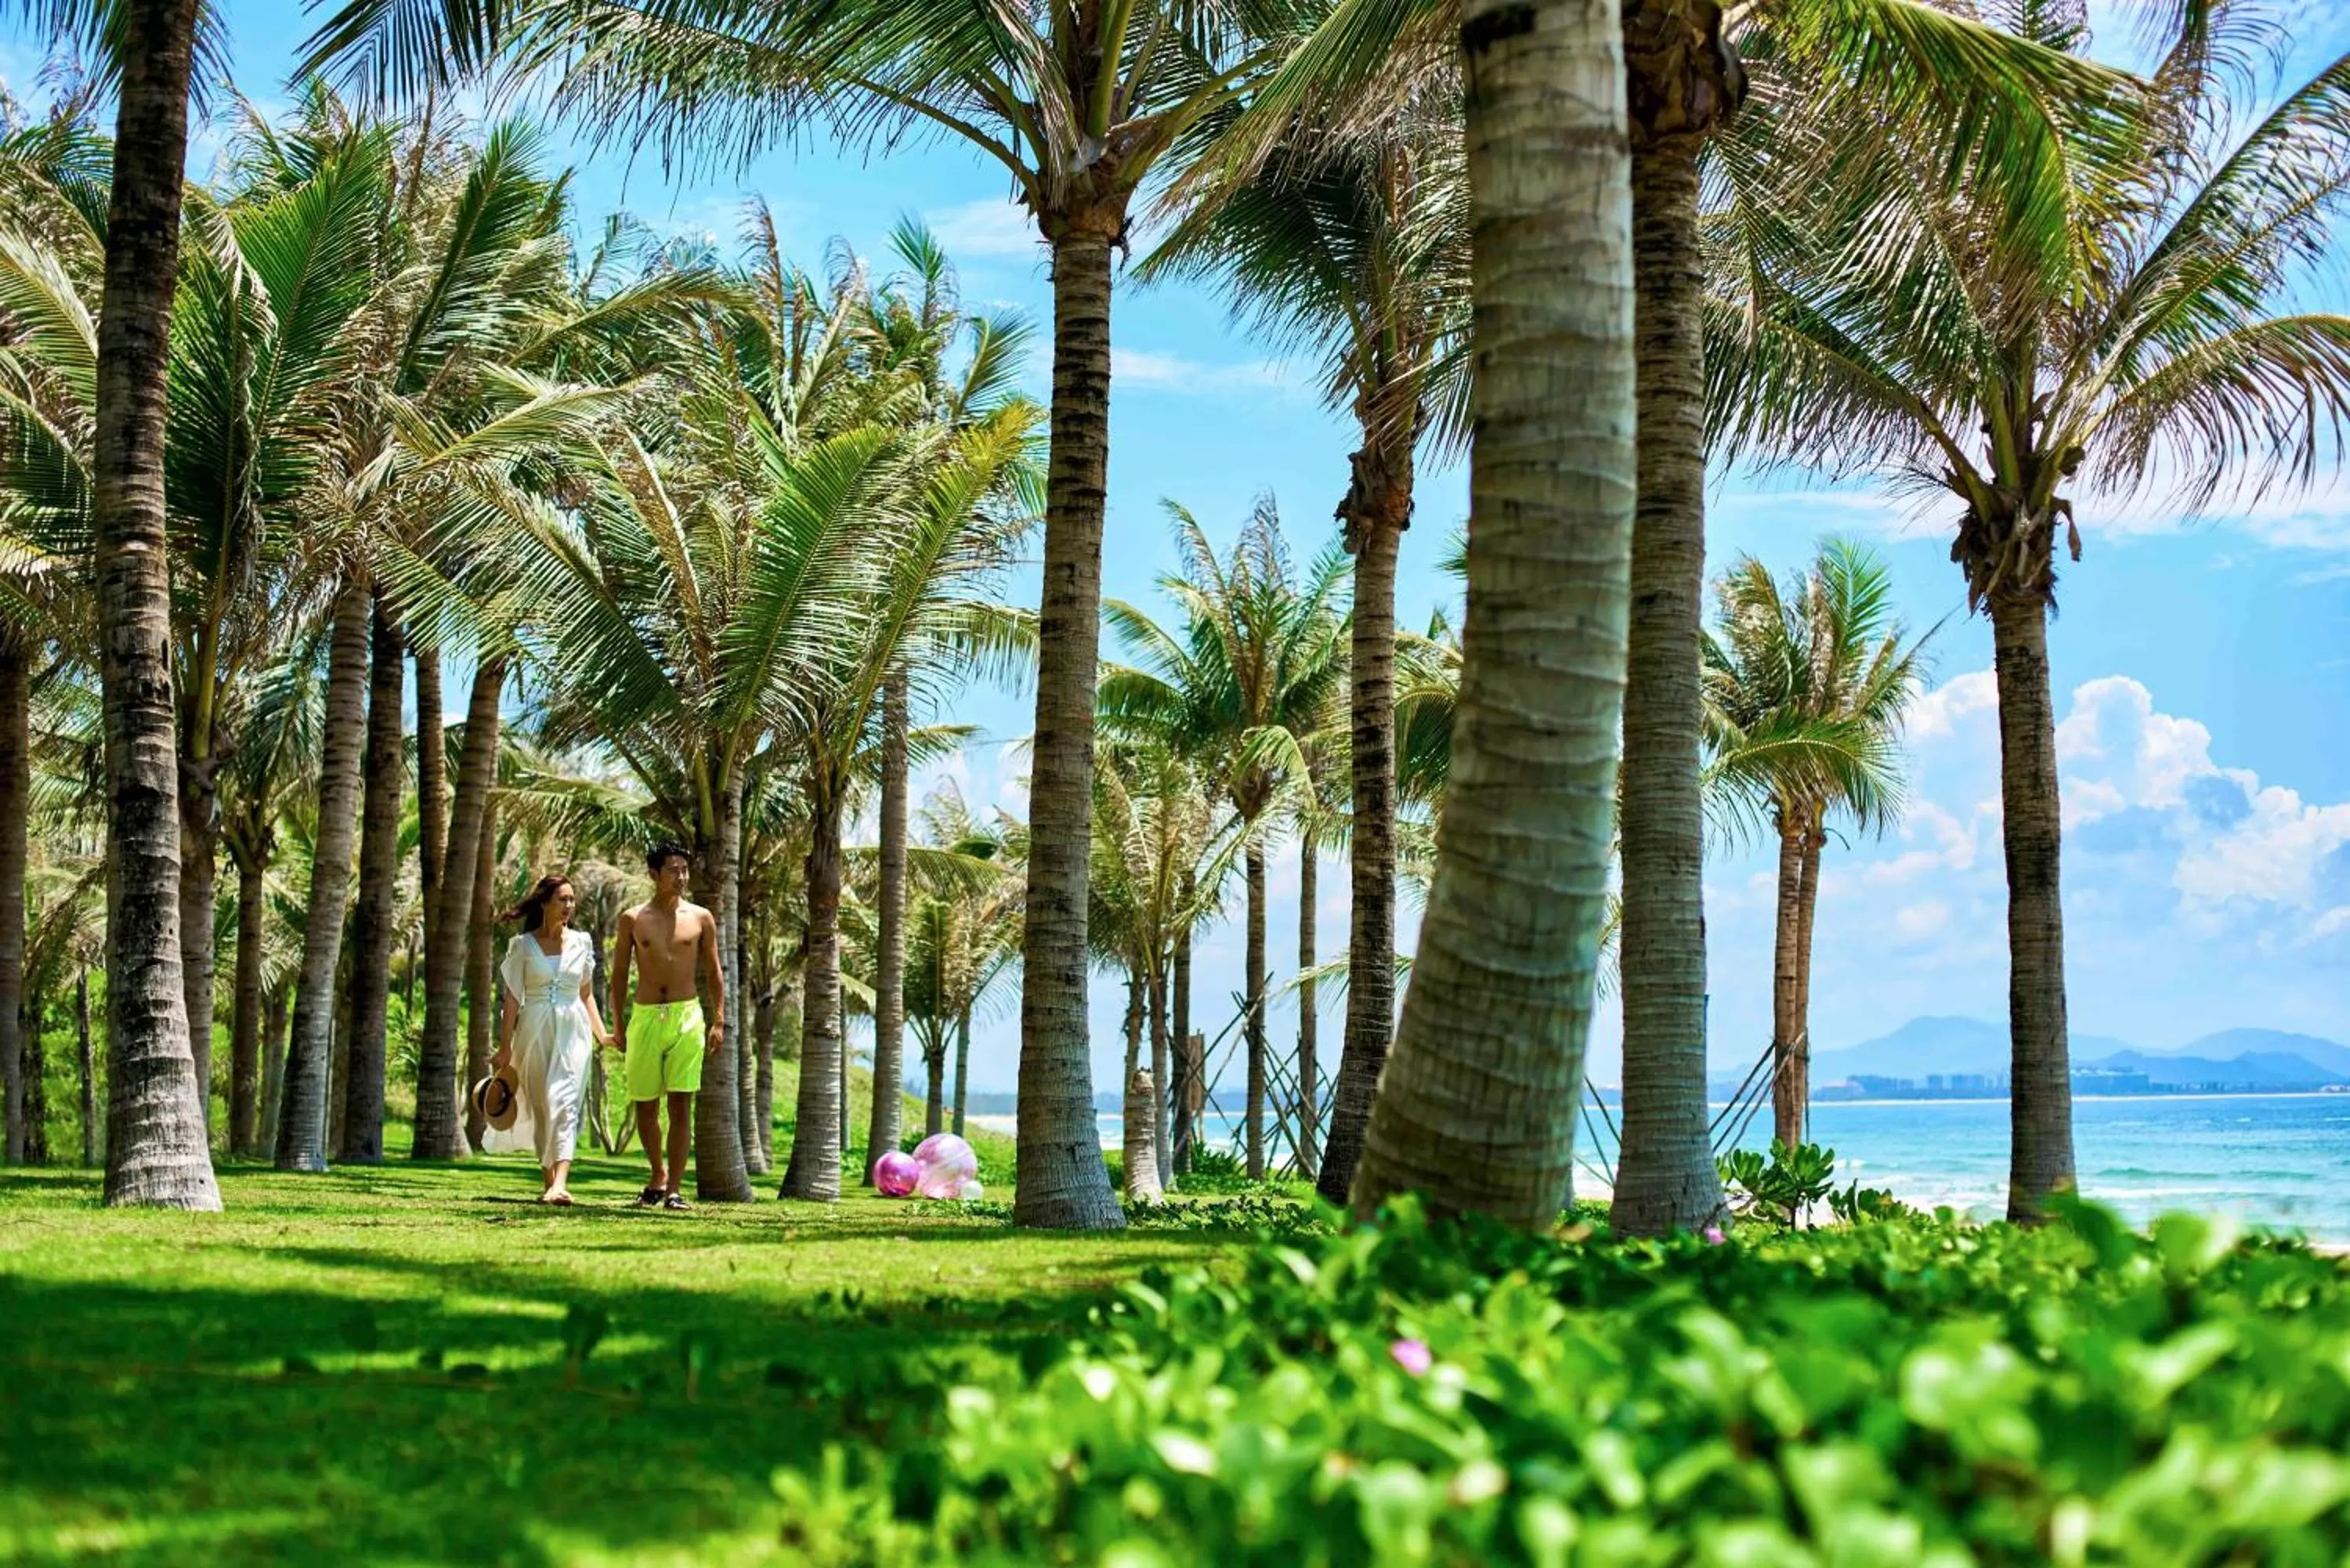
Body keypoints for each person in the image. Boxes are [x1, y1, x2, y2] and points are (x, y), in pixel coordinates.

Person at [487, 875, 613, 1205]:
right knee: (543, 1104)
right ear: (545, 903)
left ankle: (561, 1183)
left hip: (574, 1030)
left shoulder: (583, 942)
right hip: (534, 1029)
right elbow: (512, 1000)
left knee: (565, 1101)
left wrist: (603, 1034)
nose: (569, 906)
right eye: (562, 899)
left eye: (572, 900)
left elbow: (586, 994)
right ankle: (549, 1183)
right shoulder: (523, 947)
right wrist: (504, 1048)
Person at [612, 842, 725, 1211]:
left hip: (687, 1016)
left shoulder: (701, 917)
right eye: (674, 870)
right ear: (654, 875)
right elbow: (617, 977)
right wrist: (618, 1023)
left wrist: (718, 1020)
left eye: (685, 870)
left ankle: (674, 1189)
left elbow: (713, 971)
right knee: (645, 1105)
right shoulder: (632, 919)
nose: (682, 877)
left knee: (680, 1103)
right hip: (644, 1016)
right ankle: (657, 1174)